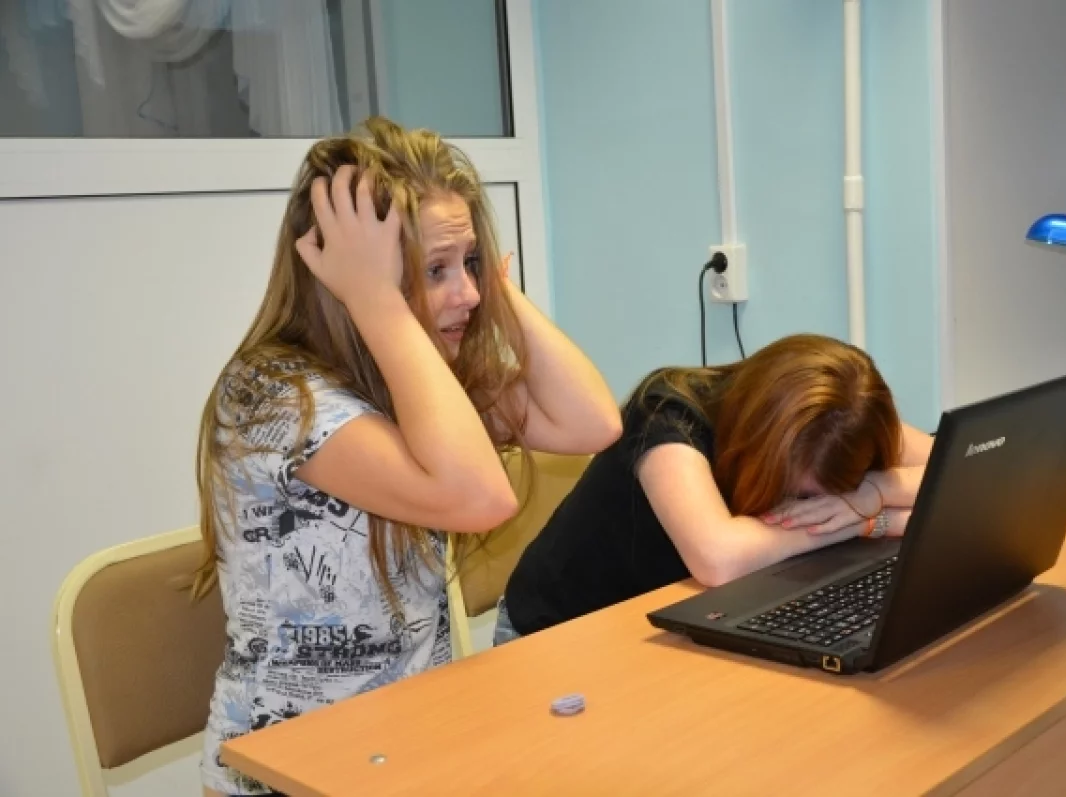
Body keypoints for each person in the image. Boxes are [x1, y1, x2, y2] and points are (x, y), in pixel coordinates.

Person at [193, 117, 621, 797]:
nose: (467, 294)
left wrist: (497, 289)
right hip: (289, 774)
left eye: (469, 263)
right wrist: (374, 297)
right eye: (435, 269)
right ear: (351, 277)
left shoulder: (416, 383)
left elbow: (592, 421)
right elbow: (480, 498)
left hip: (411, 746)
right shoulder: (271, 395)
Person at [494, 333, 933, 645]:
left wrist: (870, 493)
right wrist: (864, 522)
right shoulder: (666, 413)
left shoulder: (843, 417)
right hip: (560, 635)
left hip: (677, 622)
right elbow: (718, 559)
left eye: (826, 497)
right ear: (758, 442)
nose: (815, 507)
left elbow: (949, 467)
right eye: (803, 497)